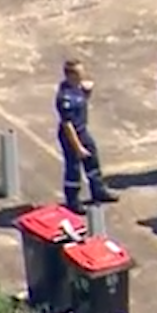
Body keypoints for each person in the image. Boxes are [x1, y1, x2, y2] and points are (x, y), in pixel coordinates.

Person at [56, 59, 119, 212]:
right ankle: (73, 201)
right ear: (70, 75)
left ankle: (98, 191)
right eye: (78, 73)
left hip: (83, 130)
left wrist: (88, 92)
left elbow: (82, 102)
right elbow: (67, 125)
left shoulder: (77, 88)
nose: (82, 75)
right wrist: (77, 147)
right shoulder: (64, 97)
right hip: (71, 135)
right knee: (74, 168)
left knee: (92, 160)